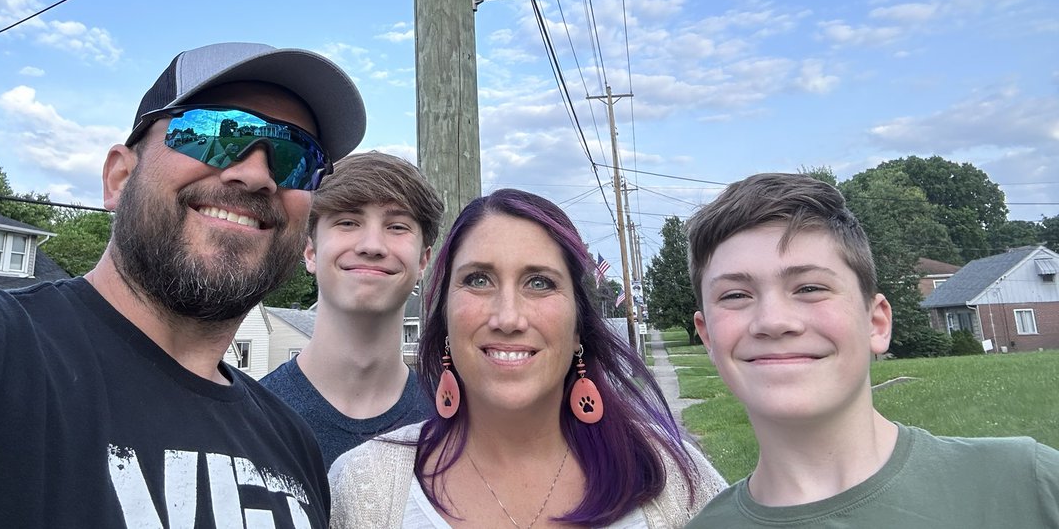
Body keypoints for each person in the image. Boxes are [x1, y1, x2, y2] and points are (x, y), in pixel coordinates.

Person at [0, 42, 367, 529]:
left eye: (295, 156)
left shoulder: (292, 444)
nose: (257, 175)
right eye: (213, 131)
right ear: (119, 177)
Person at [329, 188, 726, 527]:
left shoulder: (674, 480)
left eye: (540, 283)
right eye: (478, 280)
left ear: (577, 328)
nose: (508, 318)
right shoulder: (364, 485)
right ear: (445, 319)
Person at [684, 172, 1059, 528]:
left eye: (809, 288)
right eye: (735, 295)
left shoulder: (1027, 486)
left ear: (876, 323)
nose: (773, 321)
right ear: (708, 338)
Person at [261, 151, 443, 465]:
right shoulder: (251, 422)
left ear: (423, 260)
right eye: (347, 222)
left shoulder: (450, 427)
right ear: (310, 253)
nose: (371, 245)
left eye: (397, 227)